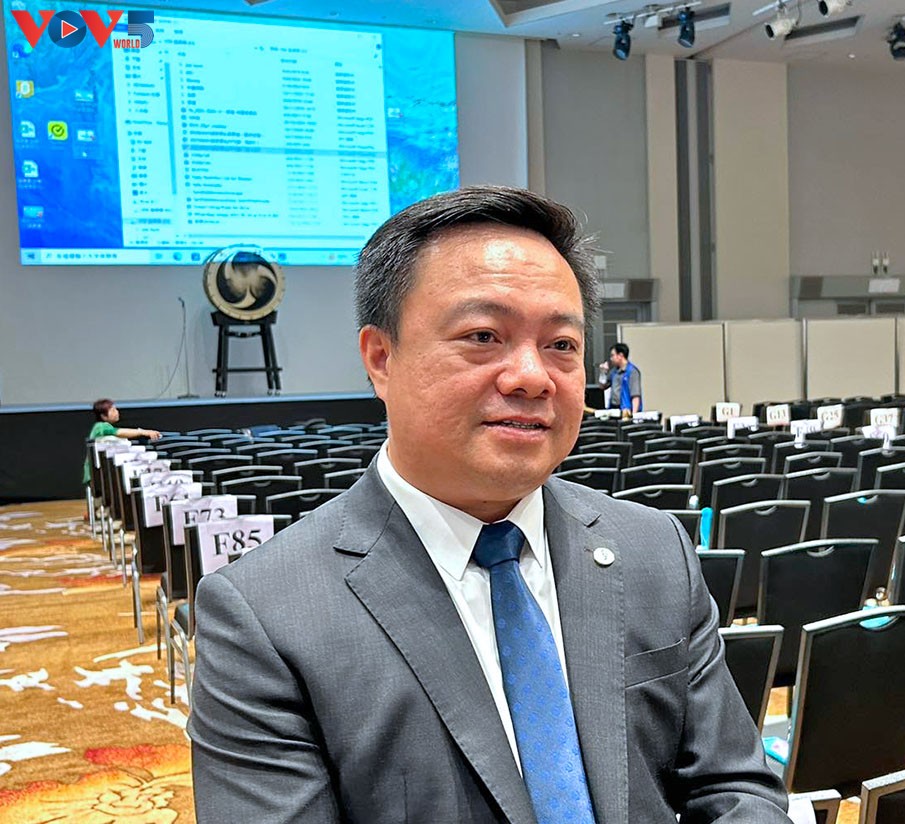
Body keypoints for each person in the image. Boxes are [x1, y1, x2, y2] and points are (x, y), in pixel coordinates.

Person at [187, 186, 794, 823]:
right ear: (381, 358)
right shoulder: (265, 614)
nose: (532, 376)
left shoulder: (653, 549)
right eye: (483, 335)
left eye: (561, 345)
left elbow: (737, 789)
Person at [82, 398, 161, 486]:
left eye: (116, 409)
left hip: (104, 473)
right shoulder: (100, 426)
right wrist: (143, 432)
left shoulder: (105, 427)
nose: (117, 412)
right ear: (103, 416)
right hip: (96, 473)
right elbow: (119, 432)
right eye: (112, 410)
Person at [598, 342, 642, 413]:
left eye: (612, 355)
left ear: (620, 355)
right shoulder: (614, 372)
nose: (611, 358)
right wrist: (603, 373)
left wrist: (634, 414)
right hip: (614, 408)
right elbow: (602, 386)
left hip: (626, 409)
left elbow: (635, 395)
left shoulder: (632, 372)